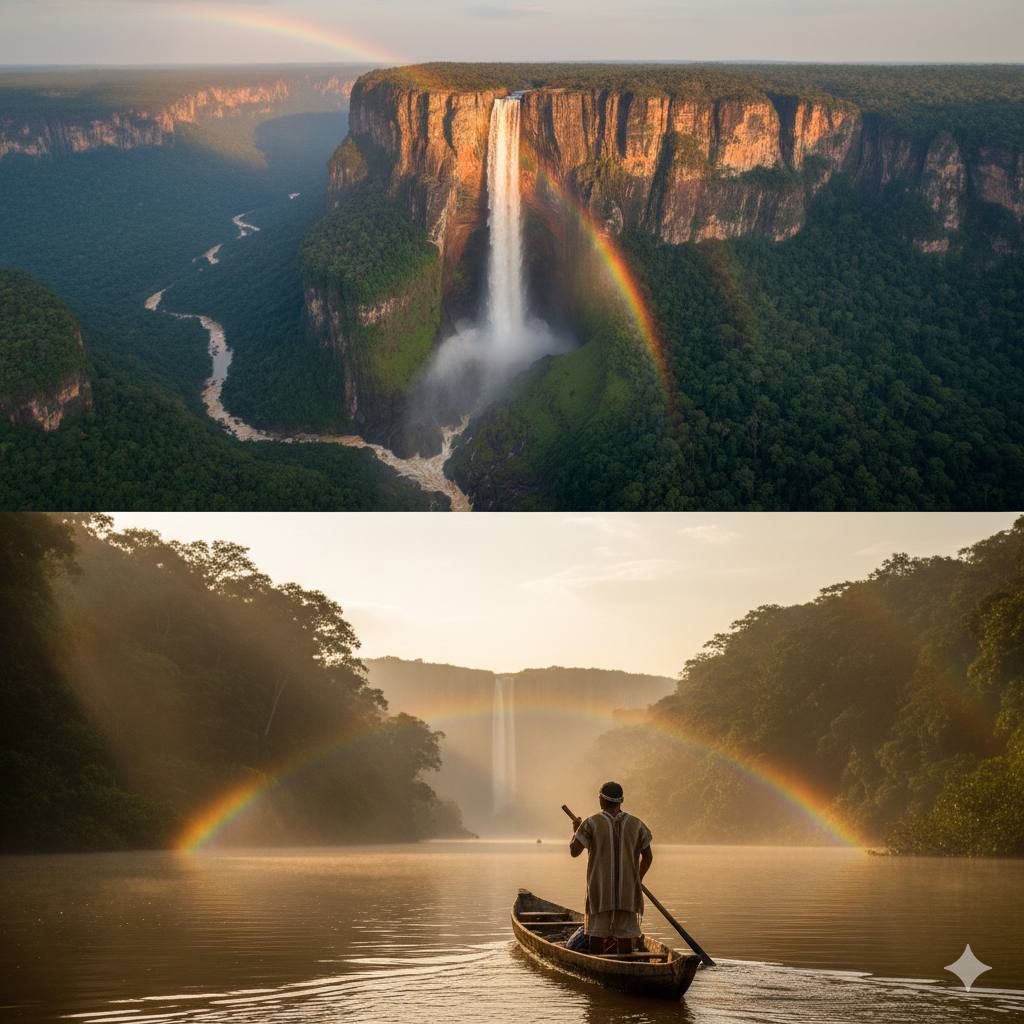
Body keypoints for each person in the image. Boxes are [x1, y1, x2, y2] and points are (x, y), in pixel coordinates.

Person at [569, 781, 653, 955]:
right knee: (625, 936)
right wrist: (637, 879)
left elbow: (574, 851)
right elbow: (648, 857)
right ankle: (624, 965)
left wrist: (576, 831)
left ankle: (598, 964)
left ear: (600, 800)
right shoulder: (637, 824)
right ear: (620, 801)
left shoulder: (590, 823)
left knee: (596, 934)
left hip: (600, 890)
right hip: (628, 891)